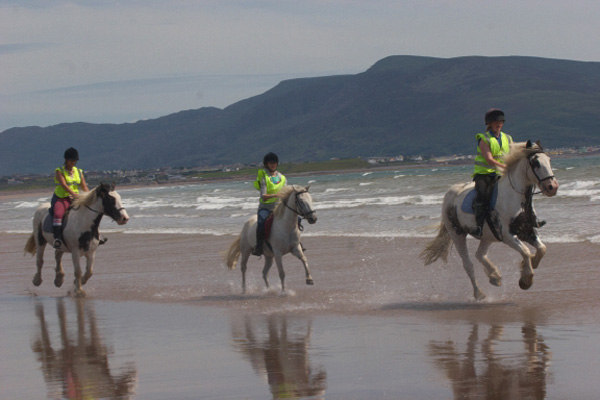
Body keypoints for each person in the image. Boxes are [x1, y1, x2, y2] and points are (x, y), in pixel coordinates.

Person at [472, 109, 512, 237]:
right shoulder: (483, 138)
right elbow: (489, 160)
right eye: (495, 121)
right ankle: (478, 226)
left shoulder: (507, 138)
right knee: (482, 196)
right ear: (489, 123)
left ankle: (530, 219)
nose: (498, 123)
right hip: (484, 174)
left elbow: (513, 153)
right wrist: (505, 166)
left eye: (500, 121)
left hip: (501, 173)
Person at [51, 147, 89, 248]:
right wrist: (74, 194)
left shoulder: (79, 171)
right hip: (61, 197)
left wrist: (89, 196)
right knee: (58, 214)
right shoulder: (60, 171)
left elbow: (84, 186)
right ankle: (57, 238)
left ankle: (95, 235)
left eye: (74, 160)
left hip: (75, 198)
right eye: (71, 160)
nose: (73, 162)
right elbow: (64, 185)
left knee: (89, 212)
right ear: (66, 160)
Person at [252, 152, 286, 256]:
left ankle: (296, 242)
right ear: (266, 164)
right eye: (270, 163)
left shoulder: (282, 178)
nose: (273, 165)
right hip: (265, 208)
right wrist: (276, 195)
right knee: (261, 223)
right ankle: (258, 247)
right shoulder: (264, 177)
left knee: (295, 219)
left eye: (274, 163)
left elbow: (286, 191)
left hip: (279, 207)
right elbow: (263, 196)